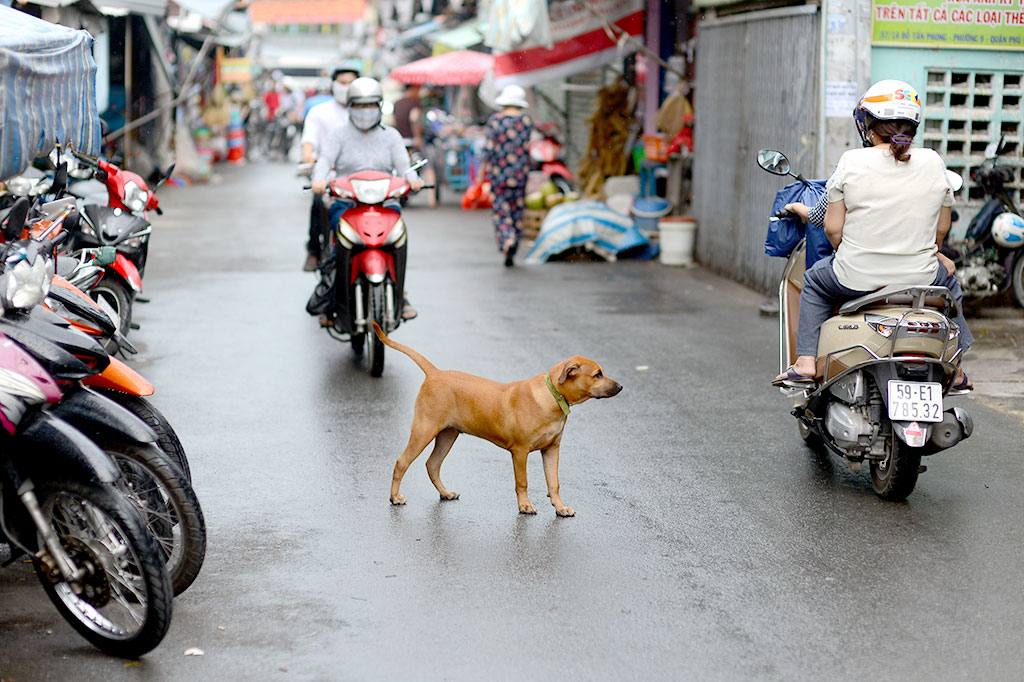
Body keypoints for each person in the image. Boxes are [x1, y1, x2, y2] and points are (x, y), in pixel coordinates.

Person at [774, 79, 974, 392]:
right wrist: (931, 251)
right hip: (919, 277)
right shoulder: (934, 161)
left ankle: (805, 362)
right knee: (949, 281)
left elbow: (831, 228)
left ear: (868, 123)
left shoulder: (852, 161)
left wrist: (850, 250)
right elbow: (942, 228)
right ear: (913, 125)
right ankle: (958, 369)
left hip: (855, 276)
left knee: (813, 281)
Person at [310, 77, 424, 328]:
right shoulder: (338, 135)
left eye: (370, 105)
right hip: (347, 203)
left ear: (380, 106)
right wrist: (319, 179)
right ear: (349, 106)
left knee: (398, 238)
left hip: (385, 202)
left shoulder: (391, 136)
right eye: (359, 105)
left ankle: (401, 294)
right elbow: (324, 160)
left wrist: (413, 179)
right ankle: (332, 298)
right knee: (339, 240)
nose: (365, 111)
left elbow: (405, 167)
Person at [299, 62, 361, 271]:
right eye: (342, 82)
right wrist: (309, 158)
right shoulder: (319, 112)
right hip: (329, 177)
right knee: (318, 202)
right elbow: (309, 143)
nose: (346, 86)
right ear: (333, 84)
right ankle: (314, 250)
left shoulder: (366, 113)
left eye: (351, 83)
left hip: (364, 179)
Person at [479, 85, 535, 267]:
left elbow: (488, 150)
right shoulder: (526, 121)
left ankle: (507, 239)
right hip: (520, 174)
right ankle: (515, 243)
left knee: (501, 212)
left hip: (499, 175)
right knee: (516, 211)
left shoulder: (495, 121)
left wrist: (481, 175)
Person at [393, 83, 438, 207]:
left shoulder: (397, 103)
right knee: (429, 166)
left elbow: (393, 122)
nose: (419, 92)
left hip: (400, 141)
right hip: (413, 141)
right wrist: (418, 137)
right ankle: (432, 199)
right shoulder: (415, 103)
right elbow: (414, 119)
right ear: (412, 89)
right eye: (417, 89)